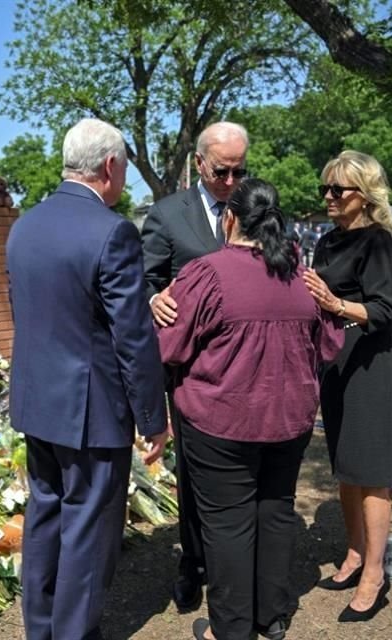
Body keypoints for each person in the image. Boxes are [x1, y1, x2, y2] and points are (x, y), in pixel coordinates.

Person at [6, 118, 169, 640]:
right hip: (91, 410)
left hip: (39, 401)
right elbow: (133, 335)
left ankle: (42, 629)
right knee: (89, 531)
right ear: (110, 167)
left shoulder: (24, 224)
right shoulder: (113, 230)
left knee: (46, 516)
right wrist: (153, 417)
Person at [159, 179, 343, 640]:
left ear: (229, 218)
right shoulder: (301, 275)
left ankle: (232, 627)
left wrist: (157, 306)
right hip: (289, 418)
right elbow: (330, 342)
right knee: (275, 511)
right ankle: (271, 616)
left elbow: (171, 345)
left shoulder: (207, 273)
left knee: (228, 523)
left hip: (222, 421)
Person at [140, 121, 249, 611]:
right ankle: (194, 563)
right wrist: (152, 298)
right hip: (193, 369)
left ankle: (240, 567)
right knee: (194, 471)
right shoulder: (166, 215)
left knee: (244, 469)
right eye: (222, 171)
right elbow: (144, 279)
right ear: (200, 164)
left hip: (248, 364)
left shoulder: (255, 207)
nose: (229, 181)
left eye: (239, 171)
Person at [302, 150, 392, 623]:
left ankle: (374, 574)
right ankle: (355, 553)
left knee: (372, 473)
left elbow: (383, 311)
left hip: (369, 366)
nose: (328, 196)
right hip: (334, 364)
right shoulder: (325, 241)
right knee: (346, 467)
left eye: (337, 190)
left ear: (363, 195)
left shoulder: (378, 241)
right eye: (325, 188)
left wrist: (335, 303)